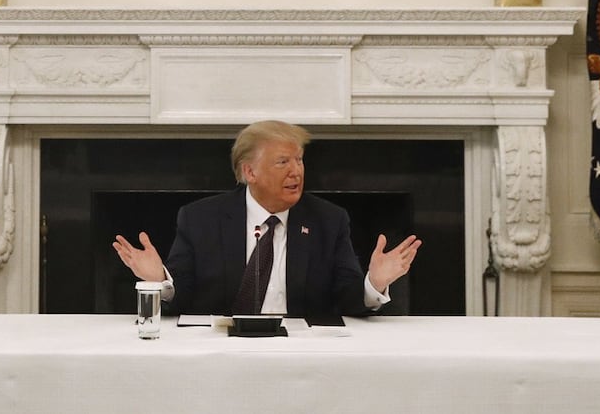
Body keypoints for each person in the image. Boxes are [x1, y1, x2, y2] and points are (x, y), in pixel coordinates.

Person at [112, 119, 421, 318]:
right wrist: (158, 281)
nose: (296, 171)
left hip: (302, 352)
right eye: (283, 162)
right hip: (222, 351)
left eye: (299, 160)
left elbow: (348, 298)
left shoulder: (328, 219)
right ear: (250, 172)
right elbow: (184, 298)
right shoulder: (200, 218)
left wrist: (376, 282)